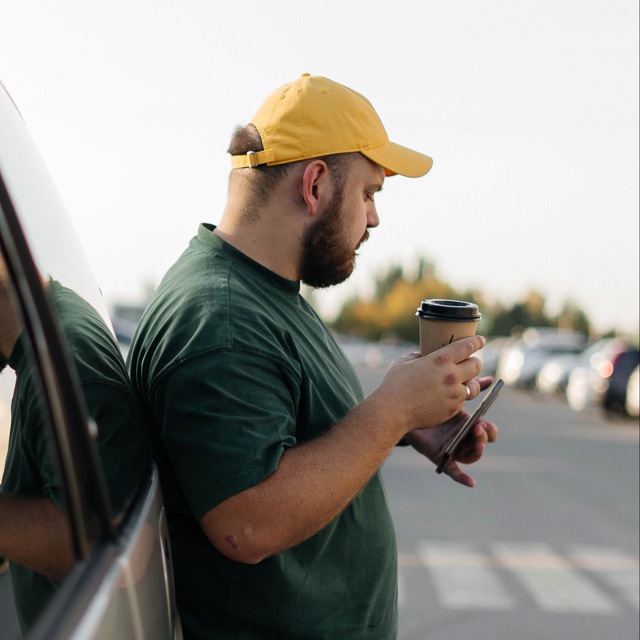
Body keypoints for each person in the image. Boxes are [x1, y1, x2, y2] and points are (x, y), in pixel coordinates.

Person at [127, 73, 499, 640]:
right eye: (370, 193)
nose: (374, 218)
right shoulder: (221, 317)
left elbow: (289, 435)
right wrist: (391, 411)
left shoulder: (266, 292)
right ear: (316, 185)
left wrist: (410, 425)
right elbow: (246, 522)